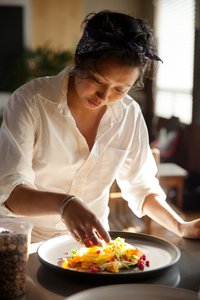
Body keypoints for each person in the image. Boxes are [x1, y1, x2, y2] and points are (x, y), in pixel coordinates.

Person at [0, 10, 199, 245]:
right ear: (79, 59)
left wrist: (180, 226)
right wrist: (65, 203)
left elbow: (141, 187)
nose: (104, 96)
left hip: (90, 245)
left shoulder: (128, 115)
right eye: (98, 80)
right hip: (25, 240)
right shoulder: (31, 101)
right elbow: (9, 192)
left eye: (120, 89)